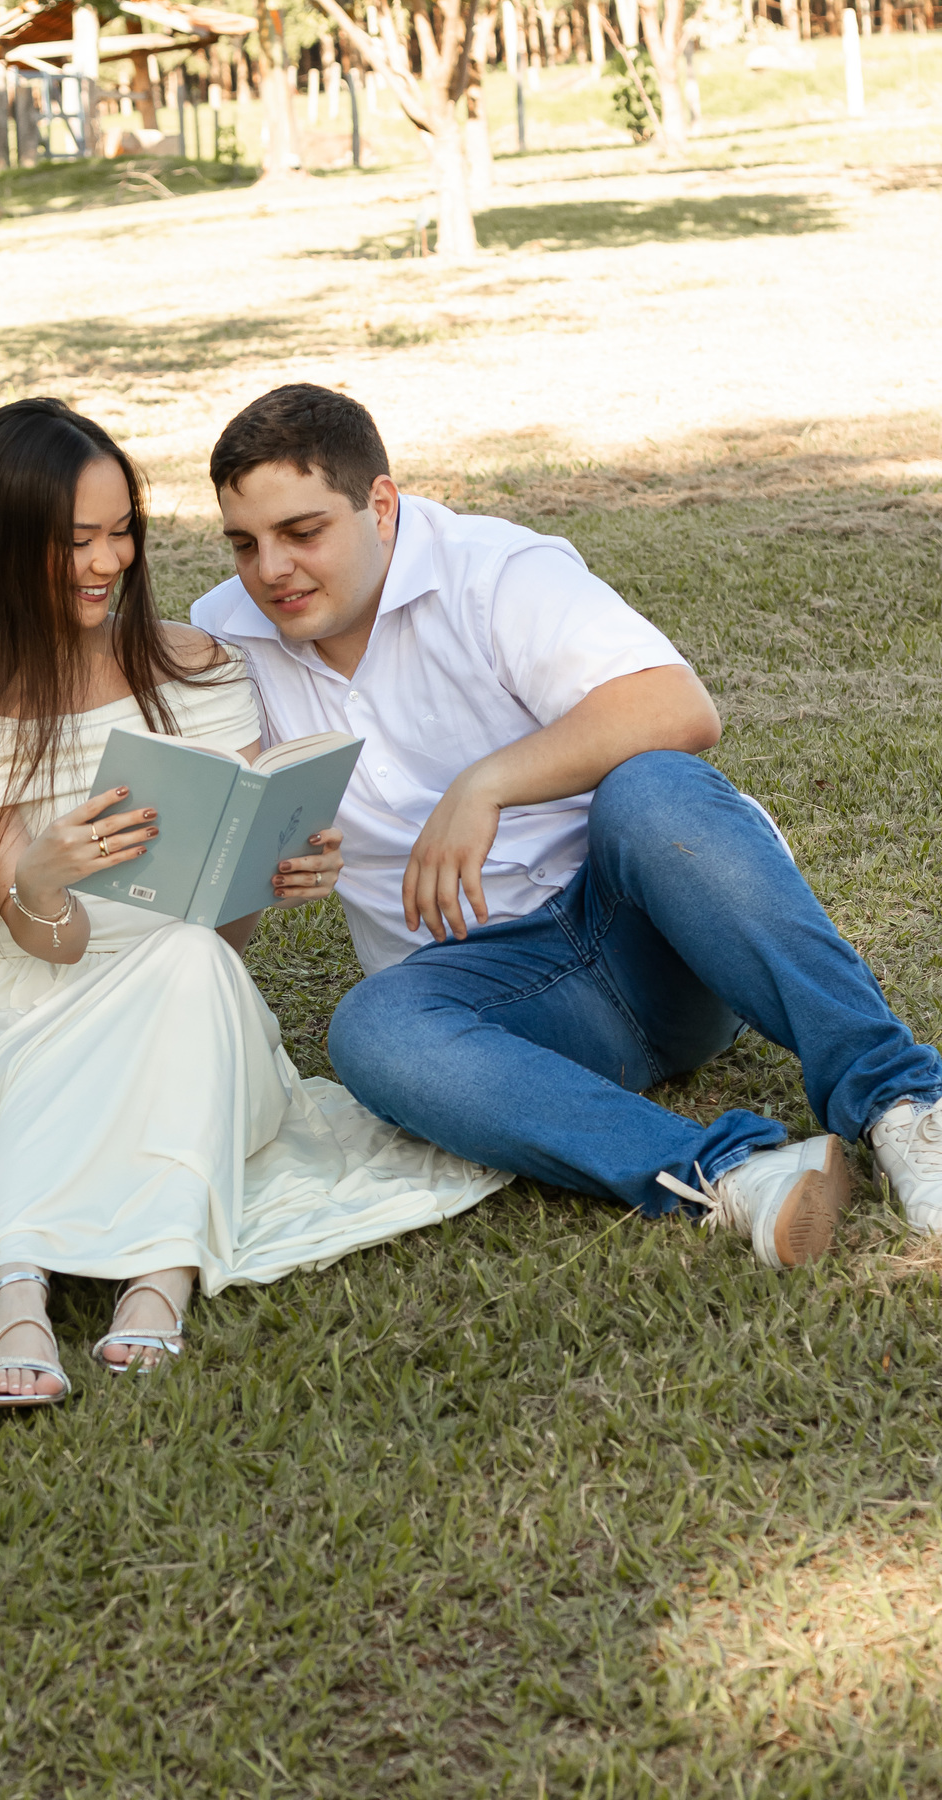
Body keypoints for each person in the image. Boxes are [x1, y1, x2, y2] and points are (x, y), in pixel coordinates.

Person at [0, 399, 505, 1408]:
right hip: (30, 1003)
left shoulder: (198, 670)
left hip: (195, 1003)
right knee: (151, 974)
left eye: (124, 533)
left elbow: (223, 928)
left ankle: (143, 1273)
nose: (109, 561)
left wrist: (271, 868)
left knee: (190, 957)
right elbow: (55, 946)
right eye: (77, 541)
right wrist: (38, 878)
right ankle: (20, 1274)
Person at [191, 383, 942, 1266]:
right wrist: (274, 859)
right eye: (245, 543)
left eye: (302, 532)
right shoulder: (226, 638)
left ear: (381, 506)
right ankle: (733, 1174)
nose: (269, 569)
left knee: (655, 788)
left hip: (658, 939)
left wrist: (488, 783)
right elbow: (234, 862)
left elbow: (678, 707)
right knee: (371, 1031)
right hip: (498, 1007)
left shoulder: (495, 570)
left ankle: (903, 1107)